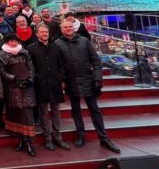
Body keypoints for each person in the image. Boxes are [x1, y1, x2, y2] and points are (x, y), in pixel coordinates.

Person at [55, 21, 120, 153]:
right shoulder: (57, 43)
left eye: (69, 26)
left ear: (73, 28)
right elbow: (59, 65)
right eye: (65, 27)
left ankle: (103, 137)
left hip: (87, 79)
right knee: (76, 111)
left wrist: (98, 79)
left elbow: (96, 61)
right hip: (71, 81)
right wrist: (62, 81)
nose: (68, 28)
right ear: (61, 30)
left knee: (94, 109)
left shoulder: (84, 40)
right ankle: (80, 135)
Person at [27, 24, 70, 151]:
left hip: (55, 84)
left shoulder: (55, 47)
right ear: (37, 34)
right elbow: (31, 67)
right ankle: (48, 138)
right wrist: (37, 78)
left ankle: (58, 137)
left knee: (56, 112)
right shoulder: (31, 48)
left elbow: (61, 64)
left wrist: (60, 78)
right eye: (42, 32)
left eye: (46, 31)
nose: (45, 33)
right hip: (41, 84)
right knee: (43, 112)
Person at [0, 33, 36, 157]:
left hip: (27, 88)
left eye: (15, 41)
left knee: (27, 115)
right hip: (13, 88)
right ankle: (20, 139)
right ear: (7, 42)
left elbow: (31, 68)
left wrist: (28, 80)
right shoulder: (2, 54)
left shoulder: (25, 52)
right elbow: (2, 71)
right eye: (11, 41)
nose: (14, 43)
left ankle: (29, 142)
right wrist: (13, 79)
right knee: (16, 115)